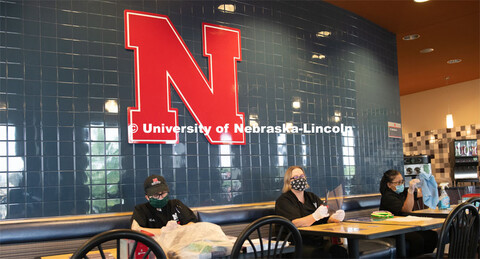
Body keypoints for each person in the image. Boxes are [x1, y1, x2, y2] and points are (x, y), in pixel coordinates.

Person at [275, 166, 348, 258]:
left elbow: (325, 219)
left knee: (340, 252)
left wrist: (334, 218)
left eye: (302, 176)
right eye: (296, 177)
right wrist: (314, 216)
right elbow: (294, 223)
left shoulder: (311, 197)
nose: (300, 179)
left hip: (316, 242)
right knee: (323, 256)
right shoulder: (284, 200)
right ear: (289, 181)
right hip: (295, 245)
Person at [379, 169, 438, 257]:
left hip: (405, 226)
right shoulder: (388, 197)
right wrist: (410, 191)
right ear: (389, 184)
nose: (401, 184)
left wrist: (428, 183)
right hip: (392, 229)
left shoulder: (401, 192)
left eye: (402, 181)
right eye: (398, 182)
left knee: (431, 235)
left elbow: (423, 194)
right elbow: (407, 209)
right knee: (417, 239)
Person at [131, 175, 197, 235]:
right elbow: (137, 230)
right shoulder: (140, 210)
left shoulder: (176, 205)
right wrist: (165, 231)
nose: (160, 197)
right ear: (147, 197)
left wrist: (176, 231)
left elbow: (192, 223)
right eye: (156, 195)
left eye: (163, 193)